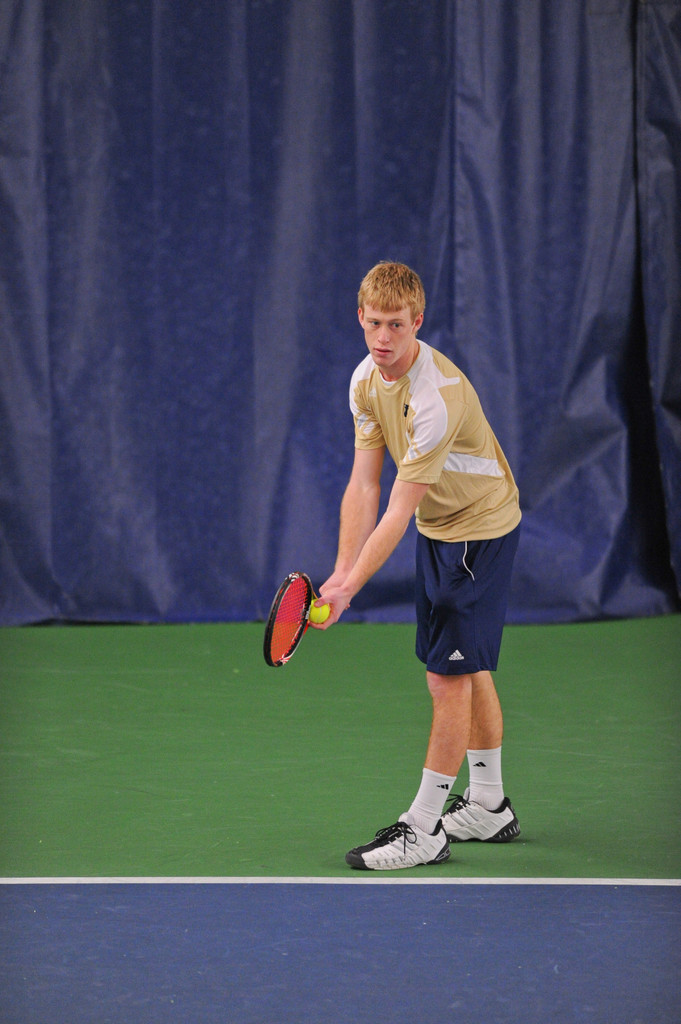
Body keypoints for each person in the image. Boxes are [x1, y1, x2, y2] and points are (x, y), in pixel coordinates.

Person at [311, 261, 522, 871]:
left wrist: (350, 589)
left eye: (396, 325)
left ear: (417, 323)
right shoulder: (365, 382)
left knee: (447, 675)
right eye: (374, 322)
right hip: (440, 530)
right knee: (465, 659)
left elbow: (398, 509)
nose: (383, 337)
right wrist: (340, 568)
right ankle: (486, 802)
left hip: (479, 531)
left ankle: (424, 827)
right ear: (361, 318)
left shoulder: (435, 397)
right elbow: (363, 484)